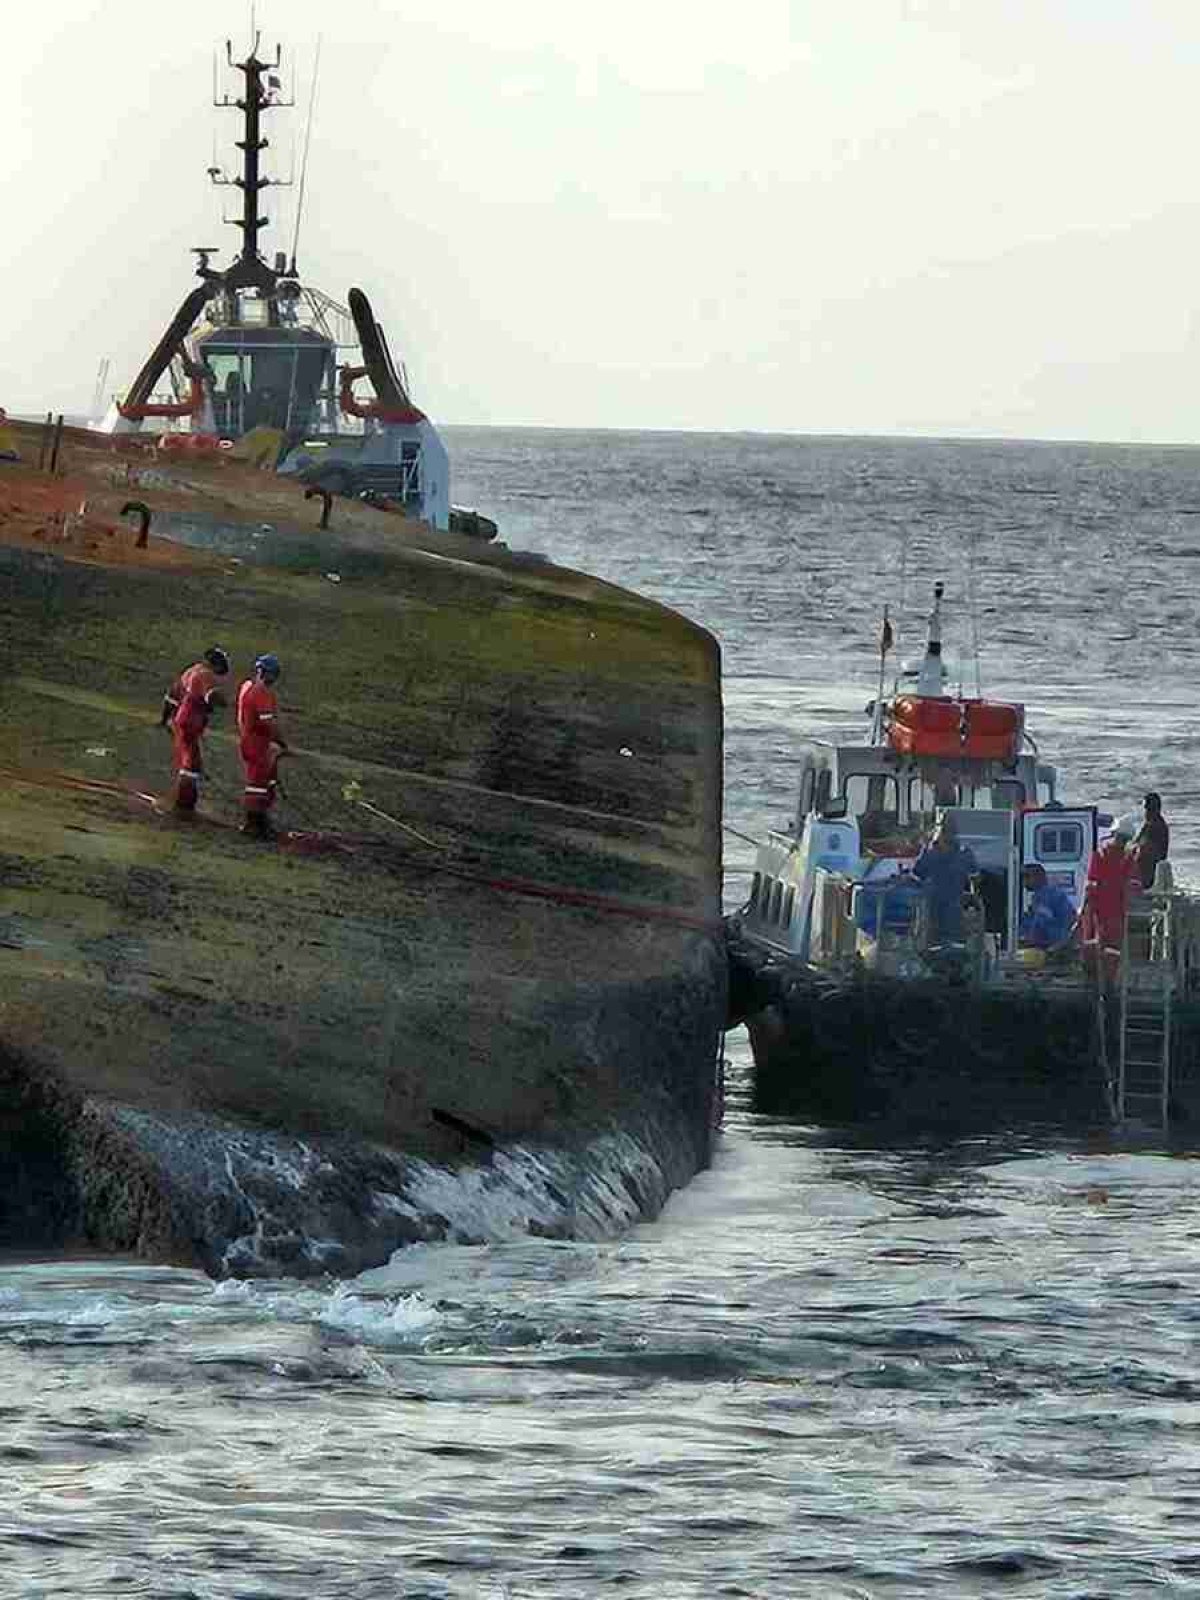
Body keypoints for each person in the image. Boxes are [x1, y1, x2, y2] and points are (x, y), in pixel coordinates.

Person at [160, 646, 230, 813]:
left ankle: (184, 799)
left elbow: (172, 694)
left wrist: (164, 719)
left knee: (191, 760)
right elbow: (212, 696)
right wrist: (224, 702)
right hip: (191, 721)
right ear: (217, 664)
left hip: (182, 720)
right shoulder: (206, 675)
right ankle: (183, 803)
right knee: (191, 763)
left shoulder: (192, 670)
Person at [236, 653, 289, 838]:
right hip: (256, 744)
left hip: (253, 741)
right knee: (257, 784)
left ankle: (261, 821)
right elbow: (269, 724)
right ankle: (253, 825)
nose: (274, 678)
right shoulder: (260, 692)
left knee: (264, 781)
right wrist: (282, 743)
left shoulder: (248, 687)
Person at [1078, 823, 1139, 980]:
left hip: (1112, 909)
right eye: (1121, 838)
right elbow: (1091, 884)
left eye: (1124, 839)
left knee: (1109, 947)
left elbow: (1131, 882)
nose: (1121, 841)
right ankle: (1096, 978)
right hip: (1099, 909)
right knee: (1095, 943)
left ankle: (1106, 981)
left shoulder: (1124, 857)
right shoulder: (1103, 855)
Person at [911, 814, 978, 944]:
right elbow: (976, 880)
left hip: (939, 912)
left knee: (936, 948)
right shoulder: (965, 853)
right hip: (944, 912)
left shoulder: (931, 854)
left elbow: (916, 877)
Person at [1019, 863, 1077, 951]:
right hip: (1048, 945)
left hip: (1052, 947)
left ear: (1039, 877)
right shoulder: (1039, 896)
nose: (1024, 881)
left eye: (1027, 876)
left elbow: (1041, 924)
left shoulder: (1049, 895)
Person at [1132, 791, 1169, 891]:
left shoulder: (1155, 826)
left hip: (1148, 875)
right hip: (1147, 870)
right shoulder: (1152, 823)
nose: (1144, 812)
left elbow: (1145, 850)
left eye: (1145, 808)